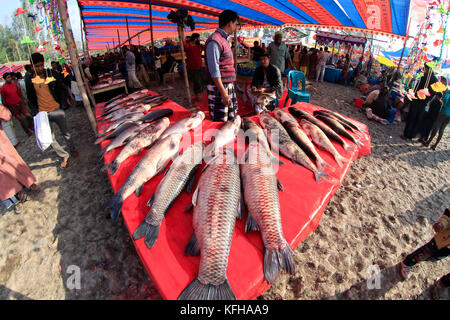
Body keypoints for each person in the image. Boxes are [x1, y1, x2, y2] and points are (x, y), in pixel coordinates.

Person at [26, 52, 79, 168]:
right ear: (32, 66)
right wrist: (35, 112)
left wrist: (62, 104)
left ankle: (72, 148)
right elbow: (30, 98)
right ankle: (63, 155)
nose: (40, 68)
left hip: (56, 109)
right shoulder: (29, 79)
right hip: (43, 114)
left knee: (66, 132)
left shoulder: (52, 74)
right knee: (49, 138)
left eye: (41, 65)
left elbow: (61, 89)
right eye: (37, 66)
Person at [398, 206, 450, 295]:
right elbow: (448, 214)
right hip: (443, 240)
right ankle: (407, 263)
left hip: (447, 248)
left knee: (434, 257)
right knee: (425, 252)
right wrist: (442, 224)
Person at [0, 103, 38, 214]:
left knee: (15, 165)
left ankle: (29, 183)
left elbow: (7, 116)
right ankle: (16, 200)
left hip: (3, 146)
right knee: (3, 180)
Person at [204, 9, 239, 122]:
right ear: (230, 23)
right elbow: (214, 70)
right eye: (236, 24)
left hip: (226, 86)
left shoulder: (222, 39)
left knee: (230, 121)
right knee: (220, 121)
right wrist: (224, 93)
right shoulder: (214, 41)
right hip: (219, 88)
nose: (236, 27)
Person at [401, 63, 438, 140]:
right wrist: (427, 100)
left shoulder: (423, 76)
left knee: (412, 117)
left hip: (417, 99)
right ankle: (411, 135)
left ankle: (406, 134)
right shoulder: (435, 80)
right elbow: (434, 93)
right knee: (418, 118)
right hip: (424, 102)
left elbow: (415, 87)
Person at [418, 77, 447, 144]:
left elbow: (430, 108)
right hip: (435, 117)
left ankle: (423, 137)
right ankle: (426, 138)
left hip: (431, 115)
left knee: (426, 126)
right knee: (431, 128)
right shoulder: (440, 102)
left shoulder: (435, 101)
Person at [184, 33, 205, 102]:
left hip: (199, 66)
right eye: (199, 38)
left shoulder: (199, 46)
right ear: (195, 38)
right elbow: (184, 45)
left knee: (200, 81)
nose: (199, 39)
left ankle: (198, 94)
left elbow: (206, 46)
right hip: (192, 67)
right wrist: (186, 40)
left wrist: (204, 40)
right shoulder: (188, 45)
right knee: (197, 81)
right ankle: (198, 95)